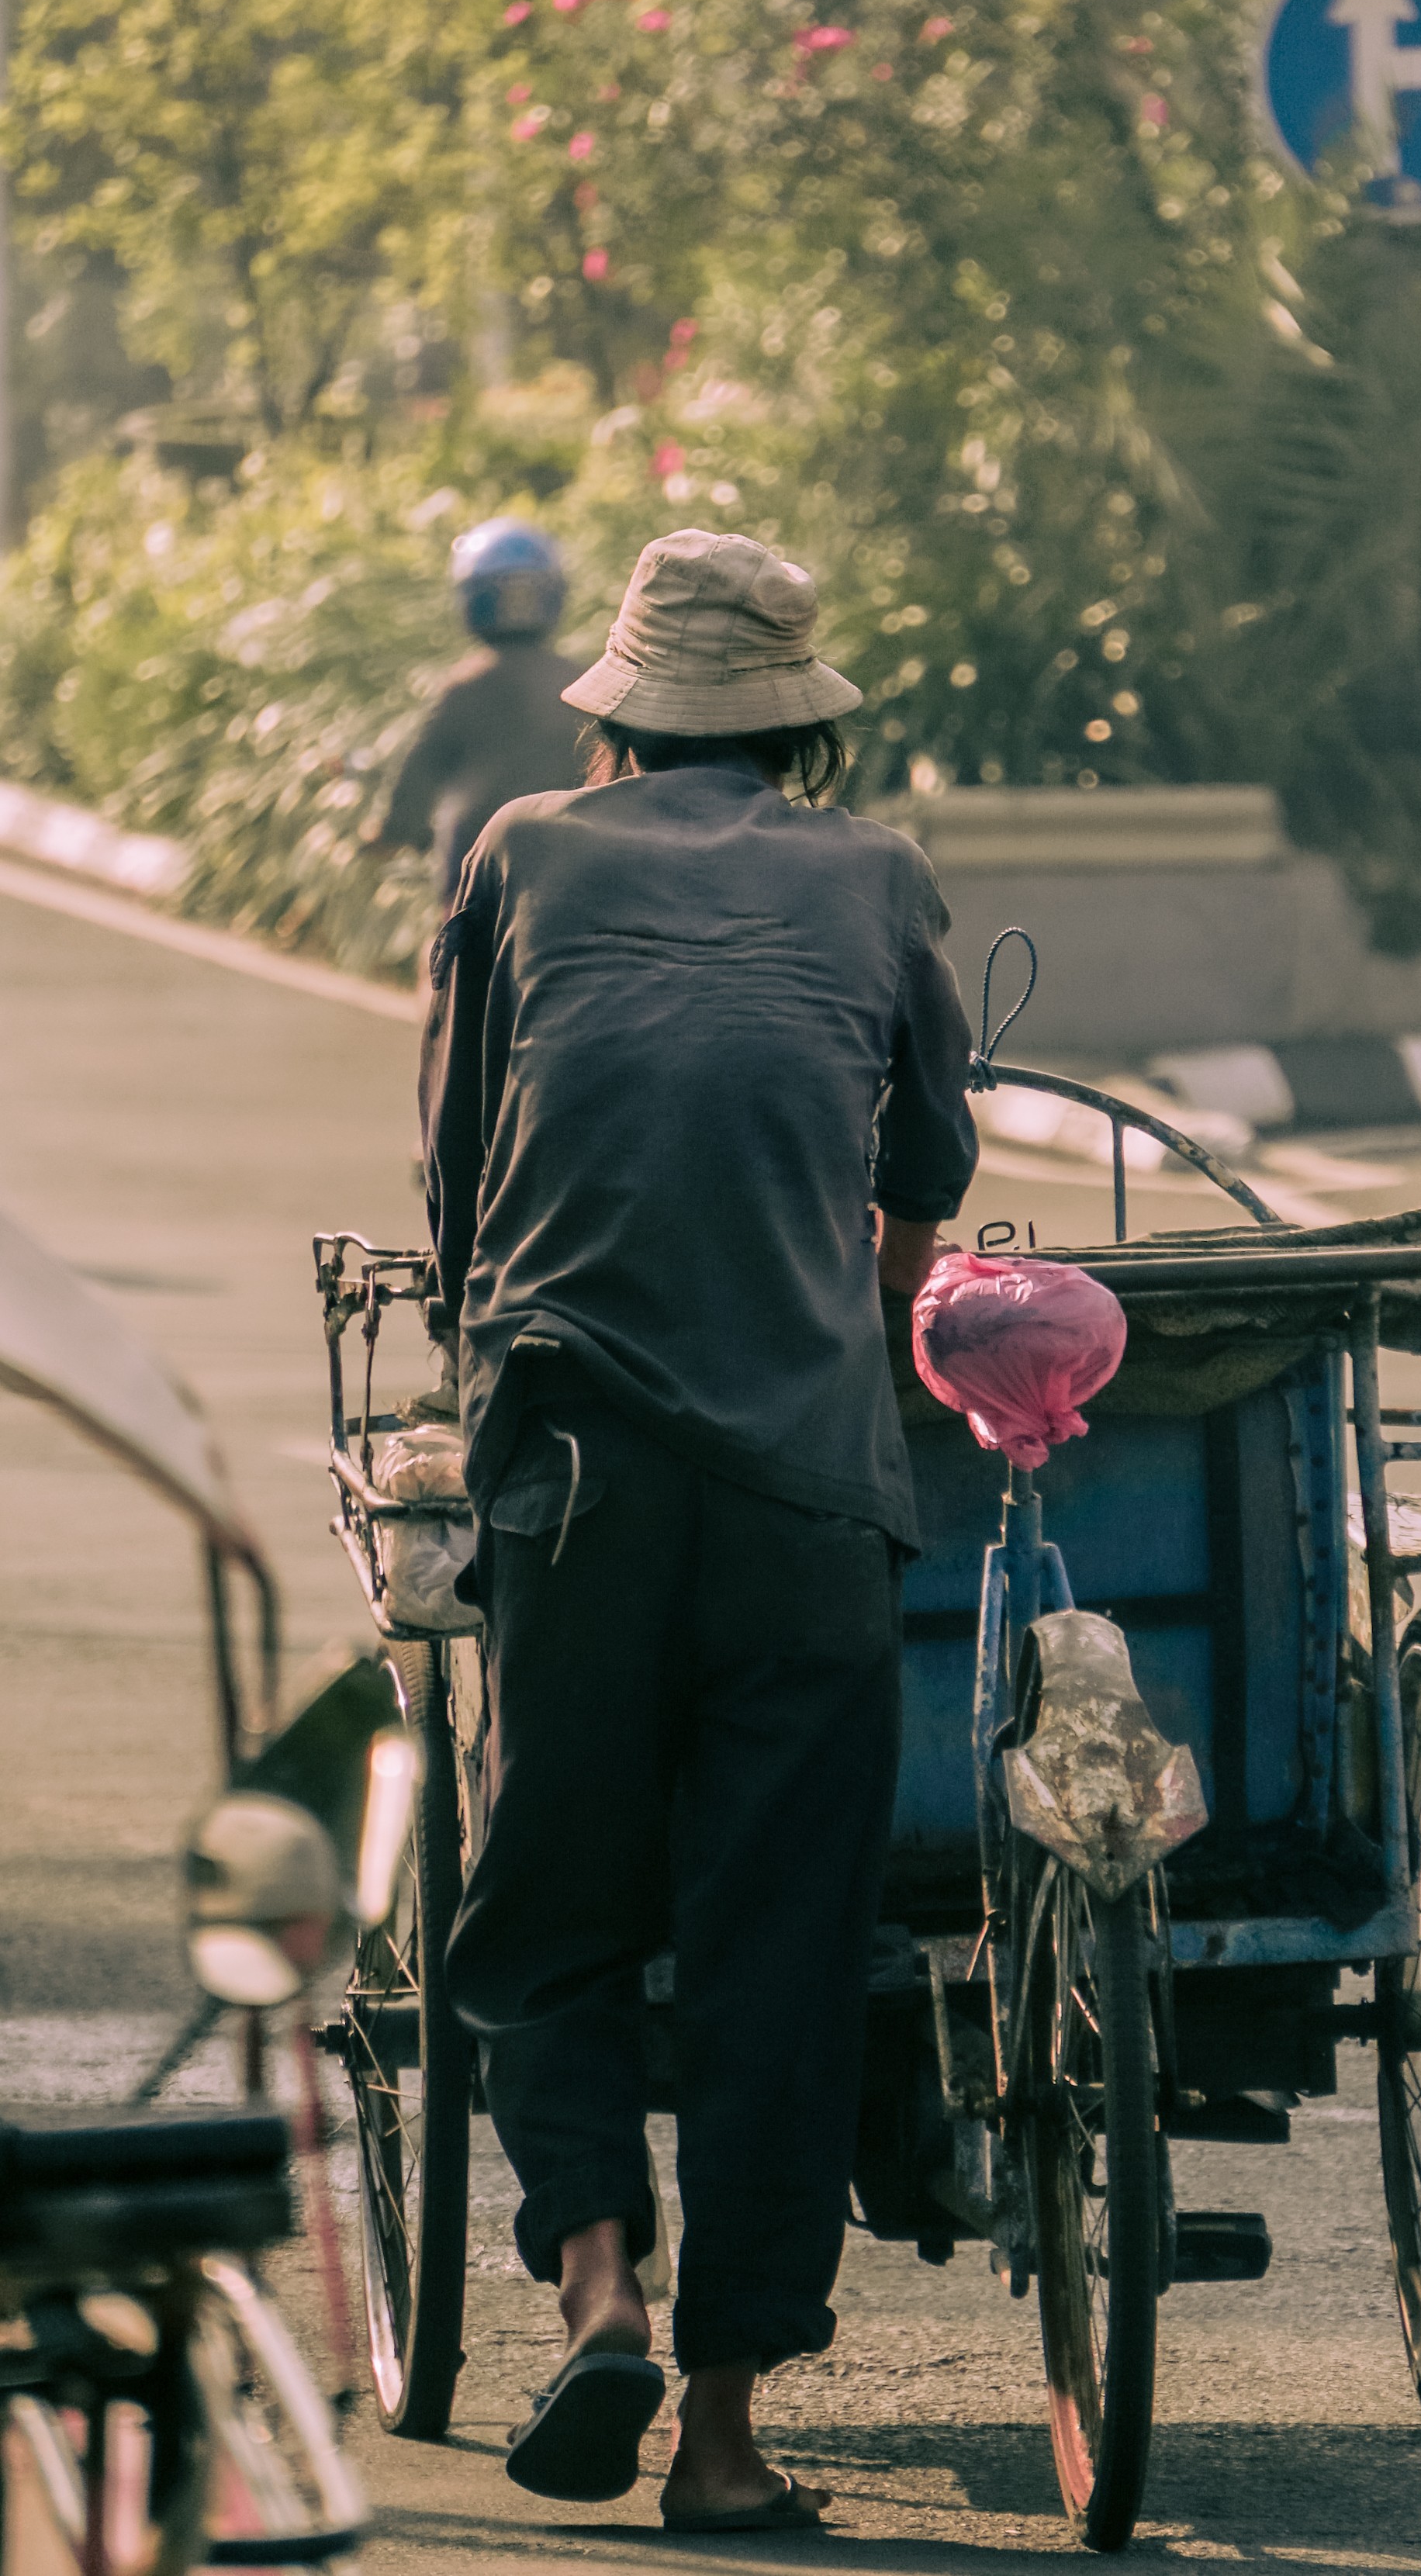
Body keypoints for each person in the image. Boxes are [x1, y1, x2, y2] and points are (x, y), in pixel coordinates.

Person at [420, 528, 977, 2526]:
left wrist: (475, 1369)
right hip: (812, 1502)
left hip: (572, 1469)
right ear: (796, 724)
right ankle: (724, 2441)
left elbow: (459, 1176)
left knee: (543, 1911)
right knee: (780, 1956)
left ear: (619, 715)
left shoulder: (519, 855)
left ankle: (597, 2293)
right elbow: (921, 1173)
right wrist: (871, 1325)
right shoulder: (881, 875)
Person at [374, 518, 583, 903]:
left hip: (476, 862)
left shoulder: (466, 684)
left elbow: (422, 768)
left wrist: (392, 830)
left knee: (449, 947)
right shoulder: (581, 682)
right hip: (568, 862)